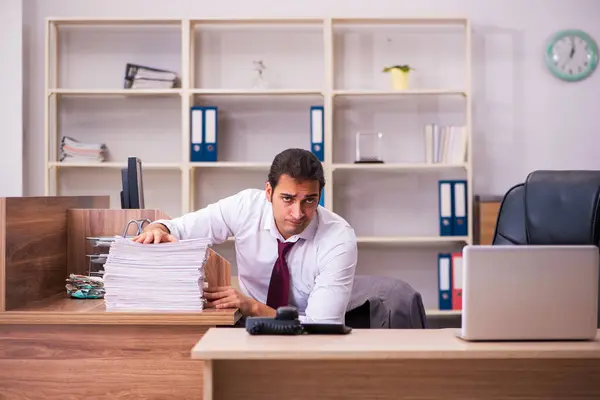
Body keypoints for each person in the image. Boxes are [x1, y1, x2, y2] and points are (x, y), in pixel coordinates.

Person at [133, 148, 357, 324]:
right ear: (269, 192)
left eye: (309, 200)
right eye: (287, 199)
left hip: (307, 338)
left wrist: (252, 307)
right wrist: (158, 230)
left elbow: (322, 328)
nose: (298, 213)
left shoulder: (338, 238)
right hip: (249, 327)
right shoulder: (246, 206)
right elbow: (177, 228)